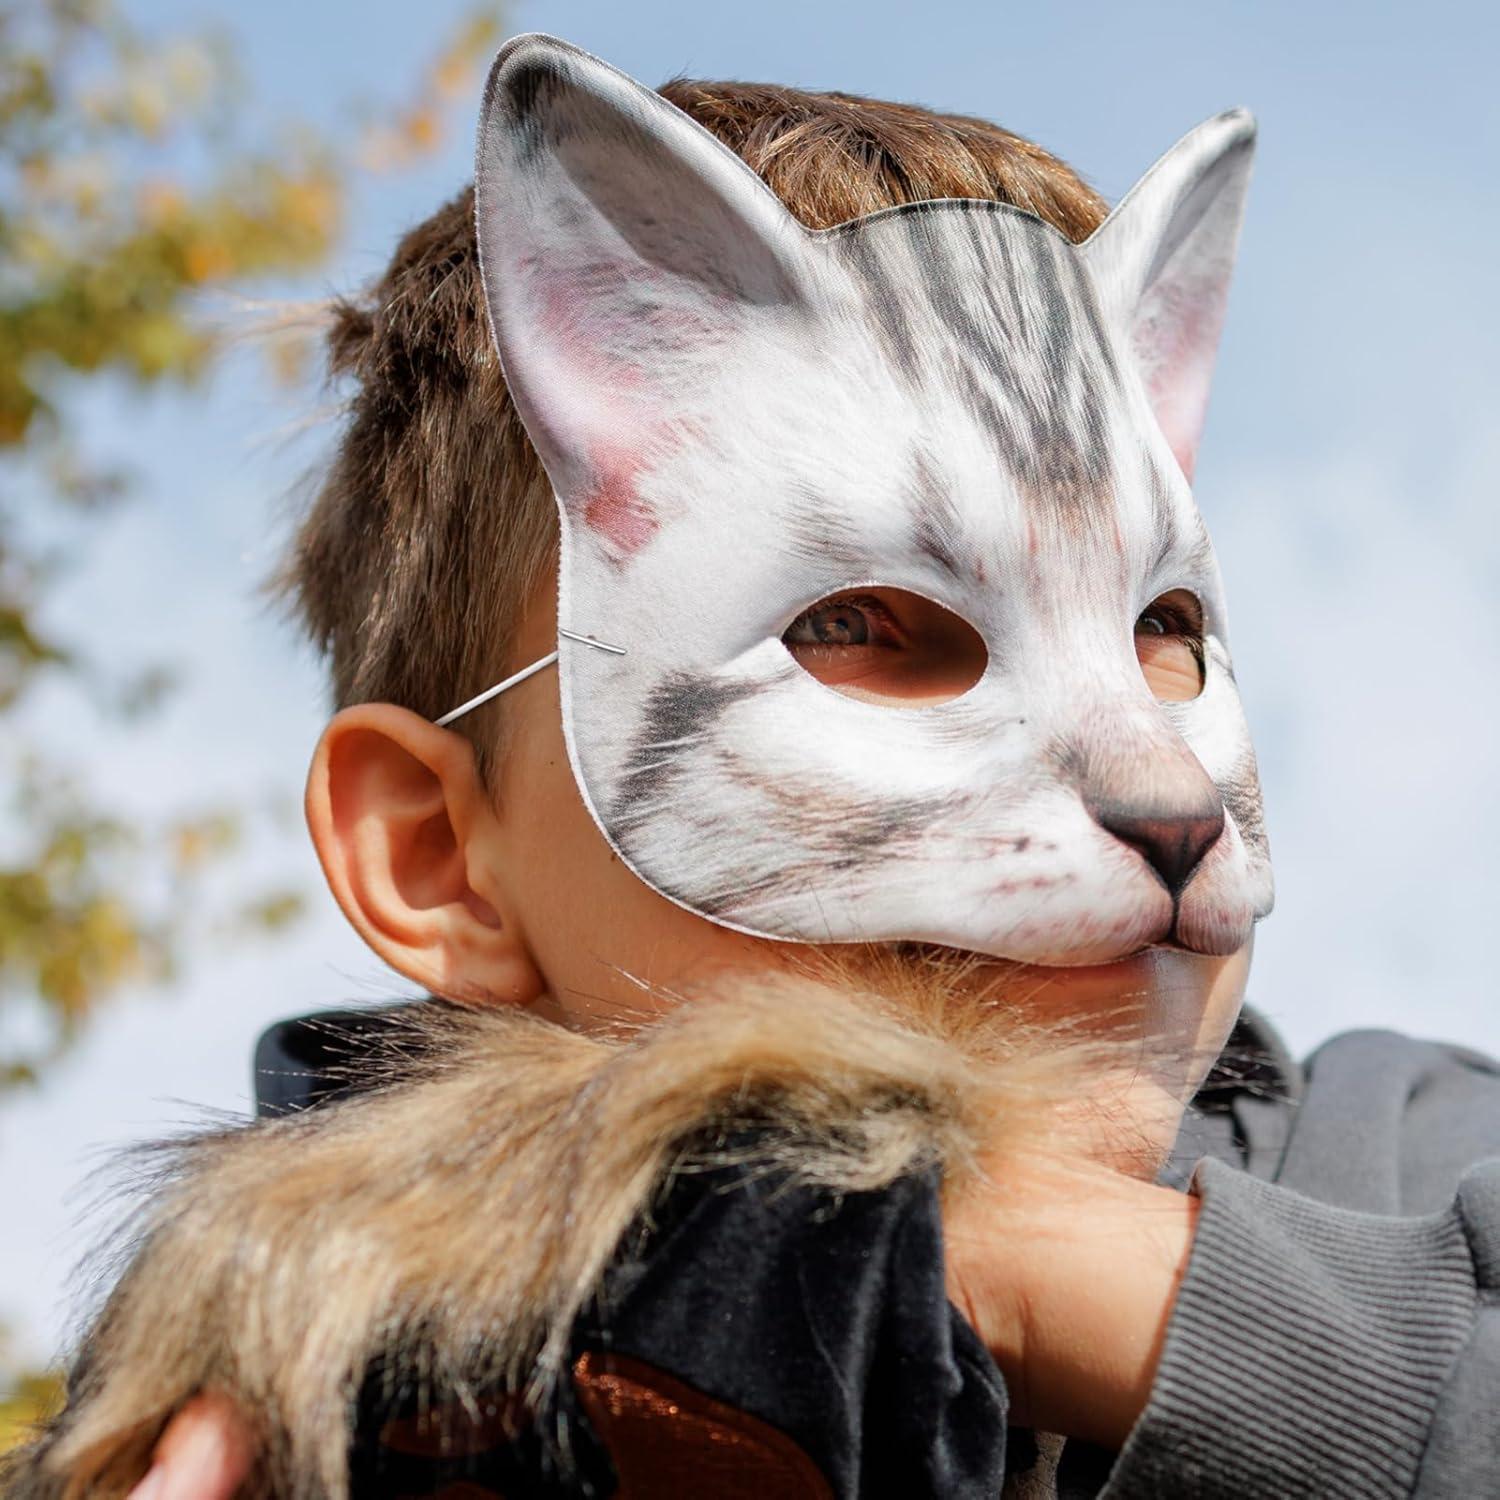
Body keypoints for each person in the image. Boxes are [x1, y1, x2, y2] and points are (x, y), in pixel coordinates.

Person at [10, 34, 1498, 1500]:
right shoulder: (254, 1442)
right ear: (439, 861)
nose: (1162, 796)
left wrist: (993, 1254)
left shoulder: (1421, 1149)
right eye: (864, 622)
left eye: (1163, 624)